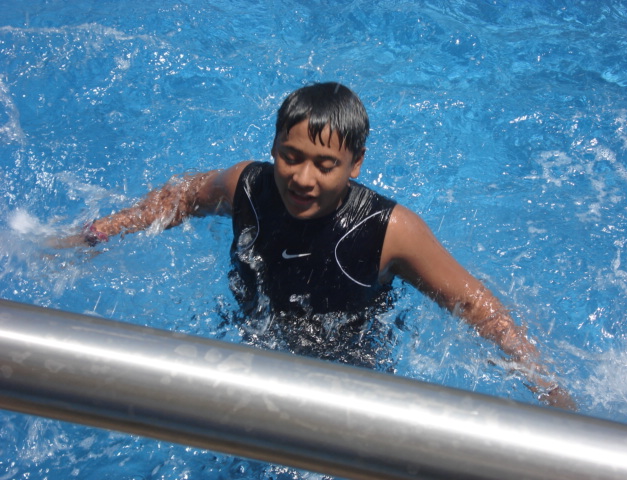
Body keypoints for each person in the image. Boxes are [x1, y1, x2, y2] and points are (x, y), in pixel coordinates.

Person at [57, 82, 574, 409]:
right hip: (253, 351)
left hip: (346, 382)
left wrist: (549, 391)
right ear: (273, 147)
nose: (302, 179)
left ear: (356, 163)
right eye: (290, 156)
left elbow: (479, 309)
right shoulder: (247, 185)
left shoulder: (391, 230)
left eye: (325, 165)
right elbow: (184, 196)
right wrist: (100, 232)